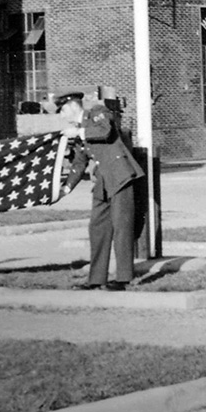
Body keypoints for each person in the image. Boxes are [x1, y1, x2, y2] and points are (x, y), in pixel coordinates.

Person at [58, 91, 144, 291]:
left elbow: (105, 131)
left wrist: (79, 134)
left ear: (72, 106)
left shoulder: (97, 113)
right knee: (97, 229)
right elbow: (79, 163)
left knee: (122, 227)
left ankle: (124, 278)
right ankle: (96, 279)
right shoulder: (80, 129)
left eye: (62, 110)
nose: (62, 116)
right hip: (103, 182)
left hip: (120, 176)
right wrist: (66, 187)